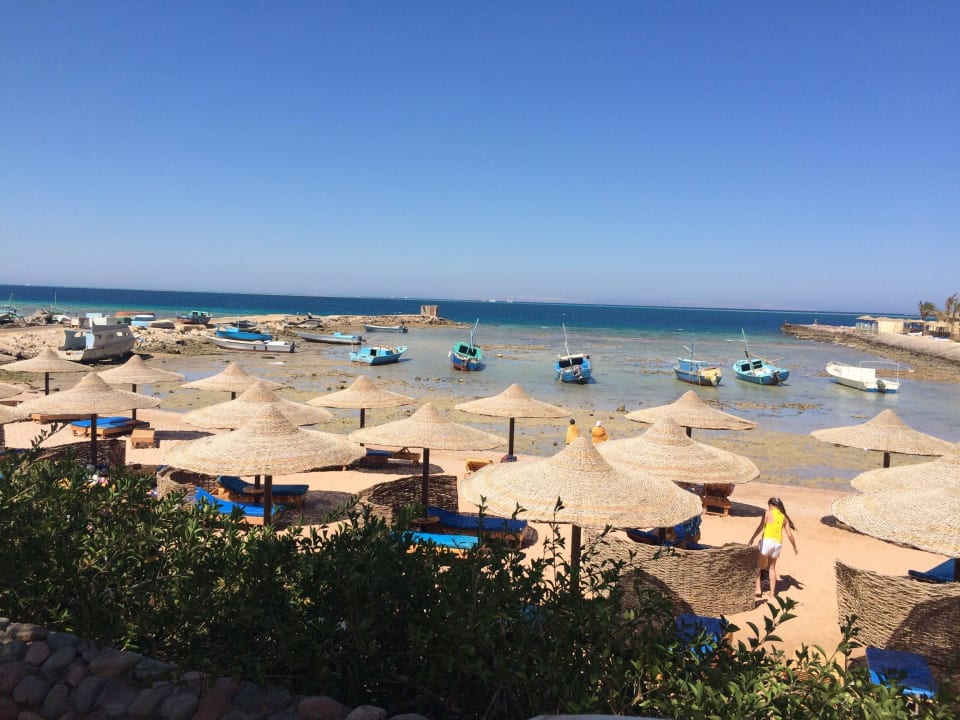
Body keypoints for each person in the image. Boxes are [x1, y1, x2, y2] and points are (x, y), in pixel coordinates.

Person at [748, 497, 798, 597]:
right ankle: (772, 592)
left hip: (767, 542)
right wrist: (794, 547)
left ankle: (758, 590)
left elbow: (760, 527)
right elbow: (789, 535)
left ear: (772, 505)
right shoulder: (784, 517)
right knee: (772, 568)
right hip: (777, 544)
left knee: (757, 567)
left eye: (769, 506)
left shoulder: (767, 513)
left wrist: (753, 537)